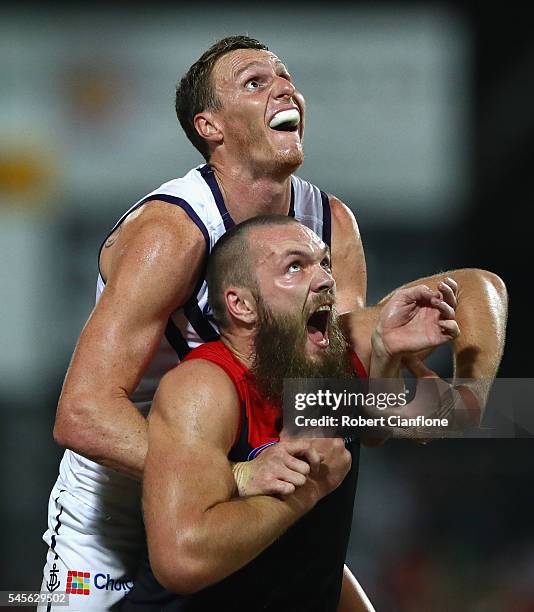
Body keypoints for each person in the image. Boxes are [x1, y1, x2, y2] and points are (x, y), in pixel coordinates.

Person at [40, 35, 508, 610]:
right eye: (254, 82)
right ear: (209, 126)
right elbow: (82, 413)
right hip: (127, 492)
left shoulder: (328, 223)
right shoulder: (172, 233)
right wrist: (229, 474)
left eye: (285, 77)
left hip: (249, 464)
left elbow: (331, 394)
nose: (284, 87)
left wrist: (443, 398)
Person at [121, 215, 460, 611]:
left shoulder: (319, 362)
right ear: (242, 305)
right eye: (295, 266)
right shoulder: (204, 389)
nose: (326, 279)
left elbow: (377, 427)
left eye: (324, 263)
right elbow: (181, 561)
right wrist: (307, 491)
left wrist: (386, 359)